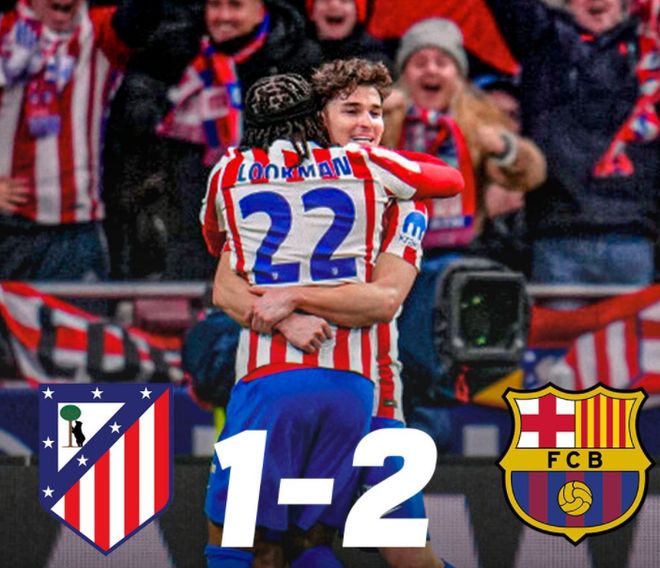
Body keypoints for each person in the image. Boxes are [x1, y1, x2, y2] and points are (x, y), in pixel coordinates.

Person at [201, 71, 462, 567]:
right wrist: (287, 320)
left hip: (379, 402)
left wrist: (293, 297)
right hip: (329, 388)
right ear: (317, 119)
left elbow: (385, 297)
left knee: (407, 556)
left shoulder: (403, 201)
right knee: (293, 545)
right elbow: (225, 287)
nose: (367, 123)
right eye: (351, 110)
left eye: (376, 112)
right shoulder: (291, 183)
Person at [103, 0, 322, 280]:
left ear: (261, 10)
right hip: (183, 216)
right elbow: (133, 120)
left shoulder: (298, 60)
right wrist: (153, 112)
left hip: (268, 222)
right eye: (215, 6)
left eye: (235, 6)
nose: (223, 16)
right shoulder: (173, 50)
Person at [479, 0, 659, 291]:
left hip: (633, 235)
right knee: (558, 324)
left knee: (629, 324)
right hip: (557, 233)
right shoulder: (544, 38)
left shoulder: (650, 44)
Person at [0, 0, 160, 281]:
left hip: (77, 230)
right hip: (9, 227)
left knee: (78, 312)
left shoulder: (98, 31)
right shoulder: (5, 31)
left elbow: (144, 13)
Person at [383, 17, 546, 252]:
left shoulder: (478, 116)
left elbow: (532, 174)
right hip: (391, 250)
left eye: (441, 63)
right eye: (420, 63)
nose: (431, 69)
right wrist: (371, 110)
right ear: (404, 74)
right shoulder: (383, 116)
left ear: (458, 75)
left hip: (463, 249)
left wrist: (505, 148)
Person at [304, 0, 393, 70]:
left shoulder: (377, 61)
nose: (334, 5)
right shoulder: (299, 58)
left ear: (357, 12)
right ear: (312, 12)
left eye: (344, 0)